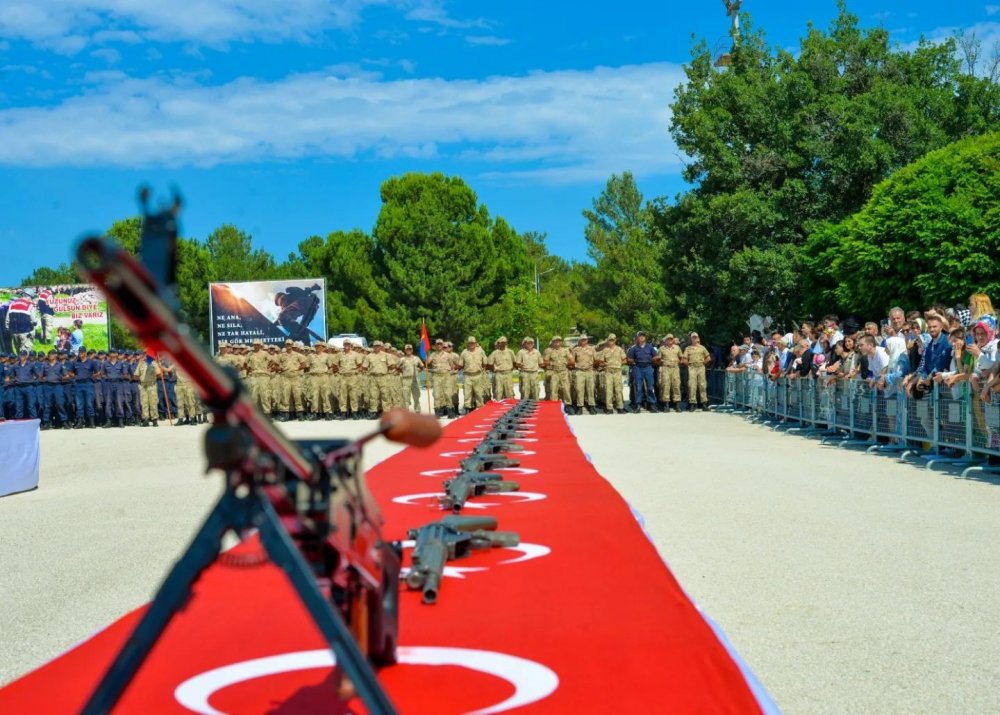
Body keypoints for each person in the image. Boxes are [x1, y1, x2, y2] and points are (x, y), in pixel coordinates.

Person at [625, 331, 659, 412]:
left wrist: (654, 359)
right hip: (638, 368)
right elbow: (629, 359)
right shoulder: (634, 348)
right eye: (640, 336)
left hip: (648, 367)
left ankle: (652, 405)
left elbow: (656, 357)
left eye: (643, 336)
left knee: (650, 387)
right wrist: (631, 361)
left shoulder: (650, 347)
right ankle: (638, 405)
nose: (641, 337)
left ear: (645, 337)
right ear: (637, 338)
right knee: (638, 388)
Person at [681, 332, 713, 410]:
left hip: (701, 367)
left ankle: (704, 403)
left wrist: (703, 363)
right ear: (691, 339)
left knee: (702, 385)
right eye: (693, 337)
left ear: (698, 338)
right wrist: (689, 365)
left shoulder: (702, 348)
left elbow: (708, 358)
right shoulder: (688, 348)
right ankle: (692, 403)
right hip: (692, 368)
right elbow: (684, 359)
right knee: (692, 385)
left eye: (696, 337)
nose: (695, 339)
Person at [459, 336, 490, 412]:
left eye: (473, 343)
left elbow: (485, 362)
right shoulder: (464, 352)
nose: (471, 344)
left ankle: (480, 409)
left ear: (476, 343)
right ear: (468, 344)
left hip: (478, 375)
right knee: (467, 394)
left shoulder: (480, 351)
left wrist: (480, 369)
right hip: (467, 376)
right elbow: (460, 364)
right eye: (470, 343)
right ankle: (468, 409)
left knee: (479, 393)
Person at [427, 339, 456, 418]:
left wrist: (450, 372)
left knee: (447, 394)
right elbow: (427, 363)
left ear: (442, 345)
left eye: (440, 344)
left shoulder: (447, 355)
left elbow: (452, 366)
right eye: (437, 344)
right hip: (436, 376)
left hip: (446, 376)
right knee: (437, 395)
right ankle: (438, 413)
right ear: (435, 345)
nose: (439, 345)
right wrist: (425, 356)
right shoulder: (432, 355)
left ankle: (450, 412)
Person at [541, 336, 573, 406]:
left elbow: (572, 360)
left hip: (563, 372)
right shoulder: (549, 350)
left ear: (561, 342)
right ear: (552, 342)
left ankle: (568, 405)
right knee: (554, 390)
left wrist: (566, 363)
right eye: (555, 341)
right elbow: (545, 361)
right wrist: (553, 363)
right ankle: (554, 405)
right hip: (554, 372)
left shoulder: (565, 350)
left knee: (566, 389)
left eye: (558, 341)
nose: (557, 343)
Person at [570, 334, 597, 415]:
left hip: (589, 371)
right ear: (579, 340)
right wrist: (575, 366)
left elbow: (596, 359)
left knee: (590, 389)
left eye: (585, 340)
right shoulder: (576, 350)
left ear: (587, 340)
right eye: (582, 340)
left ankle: (591, 406)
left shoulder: (592, 349)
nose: (583, 341)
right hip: (579, 372)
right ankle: (580, 407)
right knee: (579, 389)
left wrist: (593, 366)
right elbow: (572, 360)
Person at [657, 334, 683, 412]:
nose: (670, 340)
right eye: (668, 339)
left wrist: (679, 361)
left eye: (671, 339)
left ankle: (677, 404)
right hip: (666, 368)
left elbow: (681, 357)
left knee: (676, 385)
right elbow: (658, 359)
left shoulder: (677, 348)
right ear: (665, 340)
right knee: (666, 386)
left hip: (675, 368)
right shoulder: (661, 349)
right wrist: (662, 363)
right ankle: (666, 405)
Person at [488, 336, 516, 401]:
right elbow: (490, 364)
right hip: (499, 374)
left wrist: (510, 369)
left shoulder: (510, 352)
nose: (503, 344)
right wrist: (494, 369)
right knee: (498, 392)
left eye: (505, 343)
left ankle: (511, 407)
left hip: (508, 373)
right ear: (499, 343)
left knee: (509, 392)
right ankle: (498, 407)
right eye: (502, 343)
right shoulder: (494, 353)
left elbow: (514, 362)